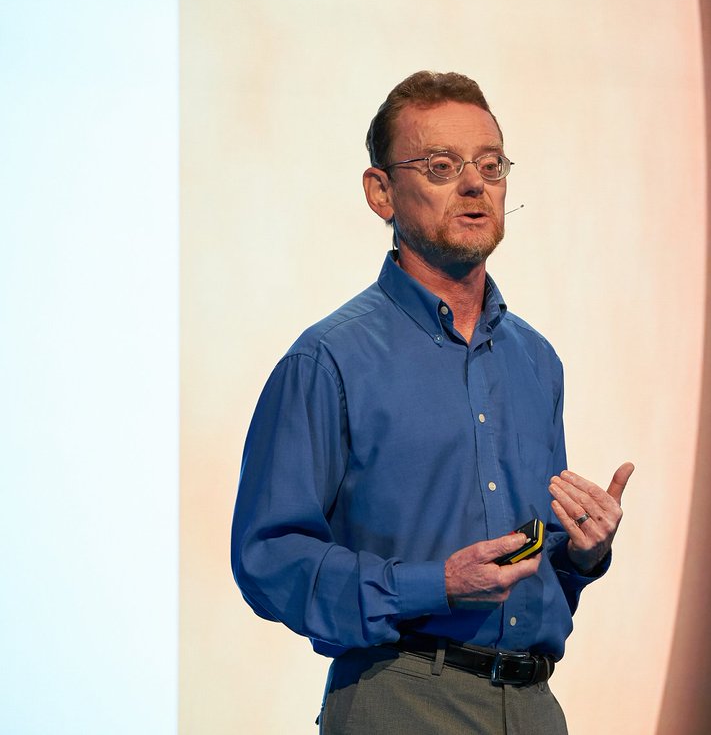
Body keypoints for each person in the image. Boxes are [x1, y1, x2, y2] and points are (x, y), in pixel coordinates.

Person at [231, 70, 634, 734]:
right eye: (442, 165)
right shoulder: (329, 360)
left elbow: (531, 568)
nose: (475, 184)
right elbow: (270, 560)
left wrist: (581, 555)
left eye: (490, 164)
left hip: (534, 704)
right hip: (403, 697)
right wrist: (433, 584)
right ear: (380, 192)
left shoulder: (536, 361)